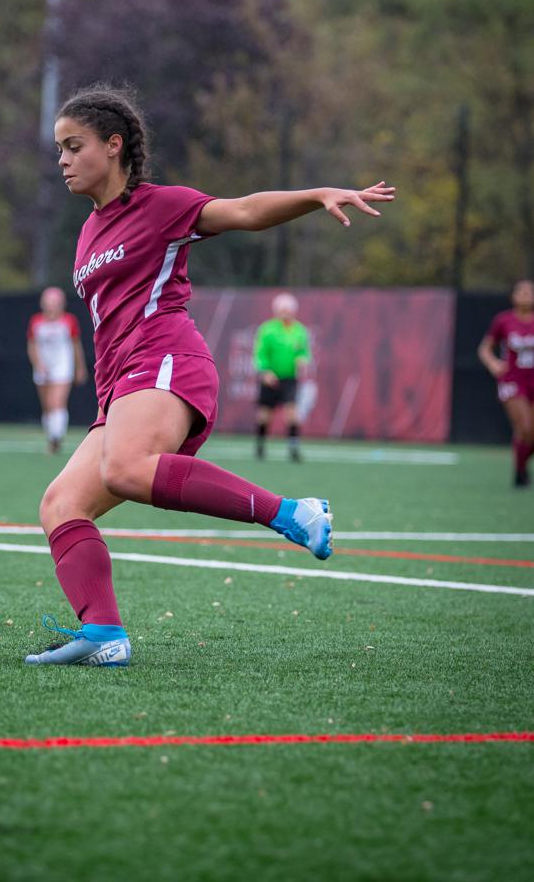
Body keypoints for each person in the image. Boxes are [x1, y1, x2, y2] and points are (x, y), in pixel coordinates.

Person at [24, 84, 394, 667]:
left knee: (123, 469)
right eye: (59, 150)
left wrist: (319, 193)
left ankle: (293, 513)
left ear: (113, 145)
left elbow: (245, 210)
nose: (63, 160)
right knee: (61, 503)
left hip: (166, 357)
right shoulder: (89, 230)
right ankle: (103, 635)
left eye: (74, 146)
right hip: (120, 382)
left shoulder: (159, 205)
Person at [477, 279, 534, 487]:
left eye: (530, 292)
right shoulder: (504, 320)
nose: (527, 295)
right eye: (522, 291)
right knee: (525, 427)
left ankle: (521, 467)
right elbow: (484, 348)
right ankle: (520, 471)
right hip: (513, 380)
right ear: (513, 296)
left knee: (531, 434)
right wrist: (493, 364)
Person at [26, 286, 87, 453]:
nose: (52, 306)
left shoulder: (69, 321)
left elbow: (76, 346)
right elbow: (32, 346)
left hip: (63, 366)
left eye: (56, 302)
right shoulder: (36, 322)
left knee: (57, 403)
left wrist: (79, 368)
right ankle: (51, 436)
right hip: (43, 367)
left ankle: (56, 437)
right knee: (47, 406)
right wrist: (38, 364)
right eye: (49, 302)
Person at [253, 292, 311, 461]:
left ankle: (294, 449)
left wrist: (302, 360)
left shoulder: (299, 331)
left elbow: (303, 352)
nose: (286, 312)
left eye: (289, 309)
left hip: (289, 378)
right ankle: (260, 446)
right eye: (282, 309)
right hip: (270, 378)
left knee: (292, 413)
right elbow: (260, 353)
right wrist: (265, 371)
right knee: (264, 415)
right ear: (276, 310)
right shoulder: (267, 329)